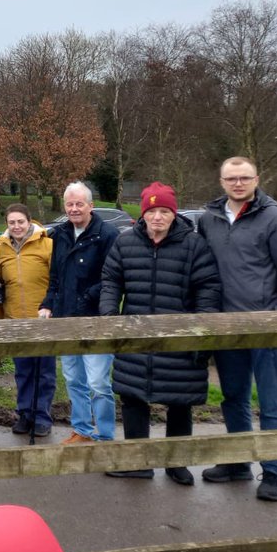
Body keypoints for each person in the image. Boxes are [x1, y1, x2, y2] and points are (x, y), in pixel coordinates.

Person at [198, 156, 277, 501]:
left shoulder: (276, 219)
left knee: (273, 401)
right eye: (232, 178)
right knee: (234, 397)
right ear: (222, 181)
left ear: (257, 179)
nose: (238, 183)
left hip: (266, 326)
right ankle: (238, 461)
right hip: (226, 326)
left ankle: (274, 473)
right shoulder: (210, 219)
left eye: (245, 178)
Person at [99, 182, 222, 483]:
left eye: (164, 211)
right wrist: (110, 318)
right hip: (136, 336)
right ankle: (138, 461)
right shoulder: (125, 243)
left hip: (179, 338)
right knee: (132, 398)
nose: (157, 217)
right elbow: (111, 280)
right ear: (143, 214)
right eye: (152, 211)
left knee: (180, 402)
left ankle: (175, 463)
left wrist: (201, 332)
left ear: (173, 214)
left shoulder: (194, 245)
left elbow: (208, 287)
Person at [39, 182, 118, 446]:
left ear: (90, 206)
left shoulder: (107, 235)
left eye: (79, 204)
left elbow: (112, 277)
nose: (74, 209)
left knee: (98, 382)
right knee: (74, 378)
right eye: (69, 204)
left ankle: (105, 434)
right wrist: (49, 302)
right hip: (65, 318)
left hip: (95, 318)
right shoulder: (60, 234)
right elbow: (55, 276)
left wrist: (86, 299)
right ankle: (82, 429)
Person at [0, 203, 55, 438]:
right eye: (12, 223)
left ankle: (42, 416)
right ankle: (25, 414)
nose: (17, 226)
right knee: (23, 371)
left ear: (30, 221)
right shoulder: (2, 248)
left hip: (42, 317)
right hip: (15, 318)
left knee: (44, 371)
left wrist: (50, 306)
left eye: (21, 221)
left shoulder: (47, 245)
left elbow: (56, 280)